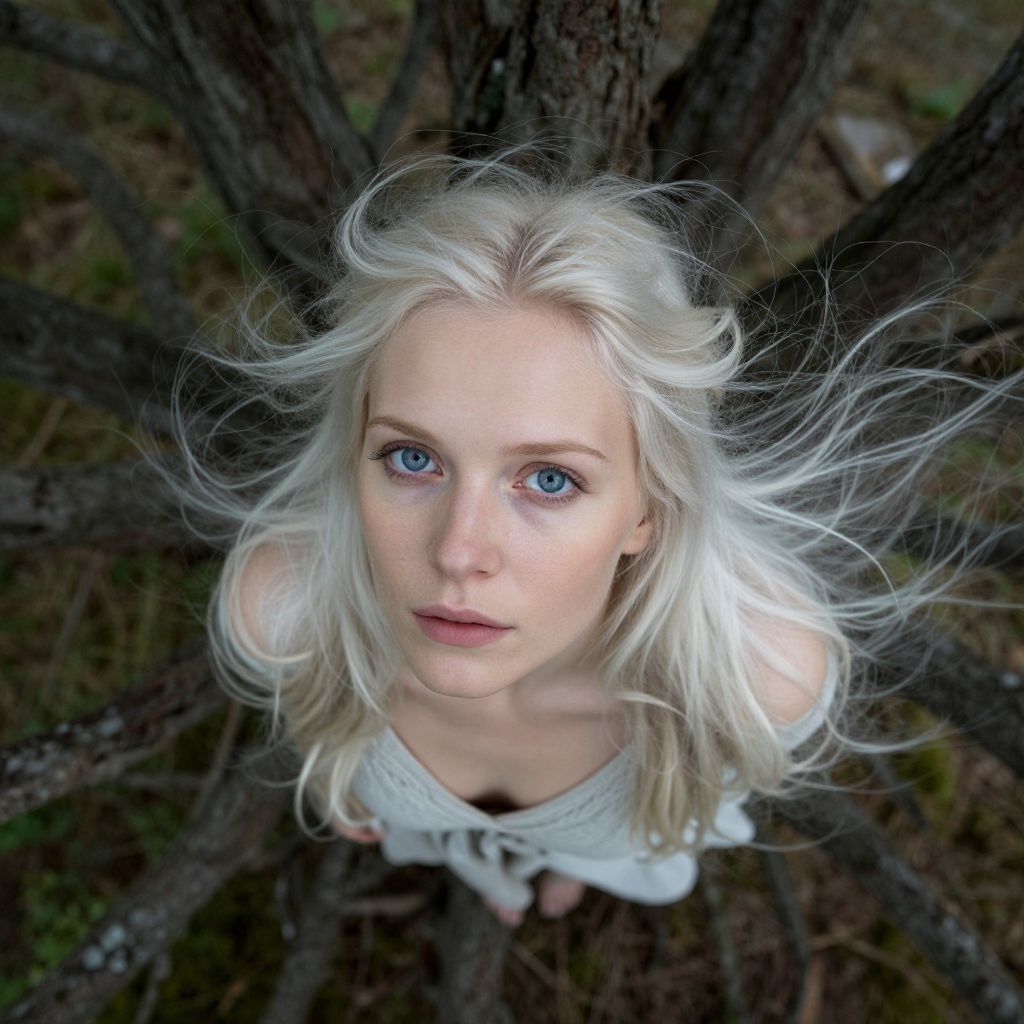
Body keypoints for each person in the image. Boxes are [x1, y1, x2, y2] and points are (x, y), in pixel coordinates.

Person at [156, 143, 1021, 929]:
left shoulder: (755, 679)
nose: (458, 553)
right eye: (413, 458)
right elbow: (319, 715)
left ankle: (568, 872)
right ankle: (497, 876)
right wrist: (342, 762)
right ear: (355, 455)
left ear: (648, 508)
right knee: (483, 867)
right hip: (433, 831)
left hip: (622, 837)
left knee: (595, 857)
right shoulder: (283, 607)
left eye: (551, 479)